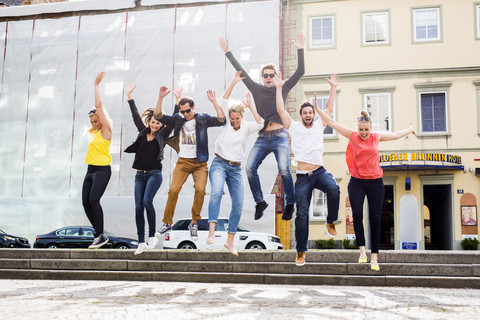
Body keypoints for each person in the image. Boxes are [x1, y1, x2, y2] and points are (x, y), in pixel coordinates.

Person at [315, 74, 416, 271]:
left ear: (371, 128)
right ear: (357, 128)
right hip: (357, 182)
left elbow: (394, 134)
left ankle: (375, 257)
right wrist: (319, 110)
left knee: (375, 218)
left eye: (366, 129)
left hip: (376, 181)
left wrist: (408, 130)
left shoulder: (376, 137)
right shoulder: (352, 136)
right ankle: (362, 251)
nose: (363, 133)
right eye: (361, 129)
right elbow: (333, 124)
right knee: (358, 215)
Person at [219, 34, 305, 221]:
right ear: (262, 77)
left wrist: (300, 49)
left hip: (280, 135)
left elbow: (300, 72)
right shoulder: (256, 88)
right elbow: (241, 72)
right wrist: (228, 52)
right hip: (262, 136)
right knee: (249, 168)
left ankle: (290, 204)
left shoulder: (283, 87)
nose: (268, 78)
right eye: (265, 75)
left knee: (283, 169)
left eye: (271, 75)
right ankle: (260, 202)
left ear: (276, 77)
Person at [273, 72, 340, 267]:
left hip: (319, 172)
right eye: (305, 113)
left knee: (334, 188)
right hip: (302, 177)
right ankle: (301, 251)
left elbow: (328, 108)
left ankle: (330, 221)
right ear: (301, 115)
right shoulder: (293, 127)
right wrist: (279, 88)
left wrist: (333, 88)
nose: (308, 115)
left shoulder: (320, 125)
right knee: (301, 213)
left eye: (311, 112)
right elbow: (280, 109)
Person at [154, 89, 226, 241]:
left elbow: (221, 120)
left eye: (187, 111)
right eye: (183, 111)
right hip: (183, 162)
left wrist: (214, 102)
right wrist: (160, 98)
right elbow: (158, 116)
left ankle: (194, 222)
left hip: (200, 163)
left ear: (193, 108)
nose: (185, 114)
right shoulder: (178, 119)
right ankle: (167, 222)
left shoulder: (202, 119)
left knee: (200, 190)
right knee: (173, 190)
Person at [206, 71, 264, 256]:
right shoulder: (225, 123)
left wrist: (250, 106)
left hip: (236, 169)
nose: (234, 121)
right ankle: (212, 232)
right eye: (232, 118)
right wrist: (233, 81)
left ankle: (230, 241)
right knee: (216, 192)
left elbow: (261, 123)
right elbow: (224, 99)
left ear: (242, 117)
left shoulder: (246, 127)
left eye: (237, 118)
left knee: (238, 203)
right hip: (219, 164)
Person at [124, 84, 179, 255]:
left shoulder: (162, 134)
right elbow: (134, 115)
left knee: (148, 201)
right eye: (153, 122)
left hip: (155, 174)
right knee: (138, 207)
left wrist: (171, 100)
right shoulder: (142, 132)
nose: (155, 125)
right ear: (149, 122)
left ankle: (152, 236)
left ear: (162, 126)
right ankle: (141, 242)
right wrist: (129, 96)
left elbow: (174, 119)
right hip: (139, 175)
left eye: (158, 123)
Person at [82, 71, 112, 249]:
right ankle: (99, 234)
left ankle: (100, 235)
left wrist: (96, 85)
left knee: (94, 200)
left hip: (102, 170)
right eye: (92, 121)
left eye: (97, 120)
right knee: (85, 202)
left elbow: (98, 106)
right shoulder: (92, 133)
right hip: (90, 170)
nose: (95, 123)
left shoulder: (106, 131)